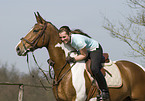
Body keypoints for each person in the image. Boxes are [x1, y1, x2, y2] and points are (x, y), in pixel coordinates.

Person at [58, 26, 110, 100]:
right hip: (86, 51)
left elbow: (84, 55)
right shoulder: (68, 40)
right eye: (61, 38)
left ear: (69, 34)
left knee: (94, 68)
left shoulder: (78, 41)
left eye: (64, 37)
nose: (62, 39)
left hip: (94, 49)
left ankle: (105, 91)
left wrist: (73, 59)